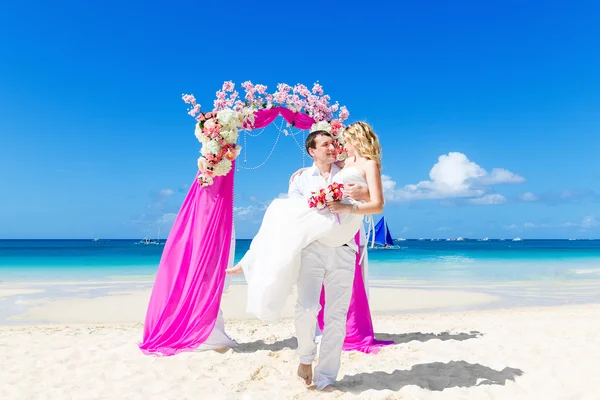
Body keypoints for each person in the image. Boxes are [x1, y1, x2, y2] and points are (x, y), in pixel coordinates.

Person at [227, 122, 385, 390]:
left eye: (339, 142)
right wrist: (306, 172)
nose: (336, 146)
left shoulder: (354, 166)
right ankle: (304, 357)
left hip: (345, 248)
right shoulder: (317, 173)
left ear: (354, 140)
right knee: (307, 307)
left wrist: (354, 202)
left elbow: (375, 201)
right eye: (330, 144)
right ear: (313, 151)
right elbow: (298, 211)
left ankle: (326, 378)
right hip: (313, 246)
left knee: (336, 317)